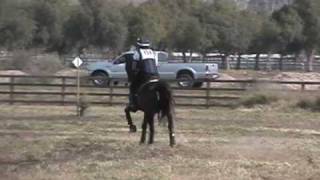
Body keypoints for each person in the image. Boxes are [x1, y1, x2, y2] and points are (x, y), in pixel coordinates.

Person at [126, 38, 159, 110]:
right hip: (155, 75)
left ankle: (133, 104)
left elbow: (134, 66)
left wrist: (133, 74)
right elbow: (156, 65)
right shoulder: (153, 52)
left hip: (144, 76)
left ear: (139, 45)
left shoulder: (137, 52)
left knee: (133, 86)